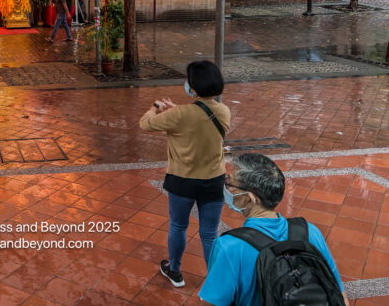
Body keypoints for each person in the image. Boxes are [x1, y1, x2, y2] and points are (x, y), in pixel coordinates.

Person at [199, 153, 349, 306]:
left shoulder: (229, 247)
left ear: (249, 198)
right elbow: (339, 296)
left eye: (229, 182)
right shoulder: (310, 232)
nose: (226, 187)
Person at [140, 60, 230, 288]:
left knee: (178, 226)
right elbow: (197, 121)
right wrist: (175, 111)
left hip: (182, 182)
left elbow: (146, 124)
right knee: (209, 234)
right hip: (213, 181)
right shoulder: (223, 111)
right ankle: (215, 280)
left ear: (194, 85)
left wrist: (155, 106)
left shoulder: (179, 114)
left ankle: (176, 271)